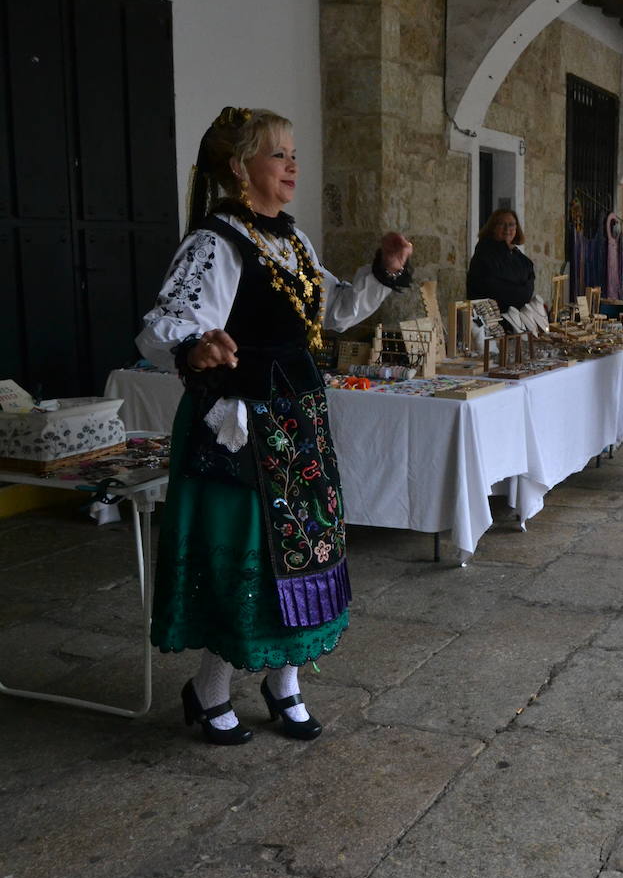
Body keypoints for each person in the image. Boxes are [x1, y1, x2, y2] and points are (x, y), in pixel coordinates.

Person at [135, 106, 413, 743]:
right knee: (253, 560)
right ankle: (208, 689)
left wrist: (383, 272)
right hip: (239, 422)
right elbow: (163, 323)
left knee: (305, 552)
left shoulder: (291, 239)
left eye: (293, 154)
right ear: (239, 168)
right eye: (278, 154)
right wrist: (196, 348)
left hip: (298, 420)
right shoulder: (216, 241)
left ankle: (283, 681)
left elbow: (333, 309)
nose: (292, 165)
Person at [467, 209, 536, 314]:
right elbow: (494, 289)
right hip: (490, 320)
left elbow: (529, 283)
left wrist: (522, 291)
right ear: (493, 228)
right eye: (501, 224)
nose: (507, 229)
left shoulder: (518, 256)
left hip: (515, 318)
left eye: (511, 224)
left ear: (516, 228)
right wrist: (521, 291)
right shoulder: (484, 253)